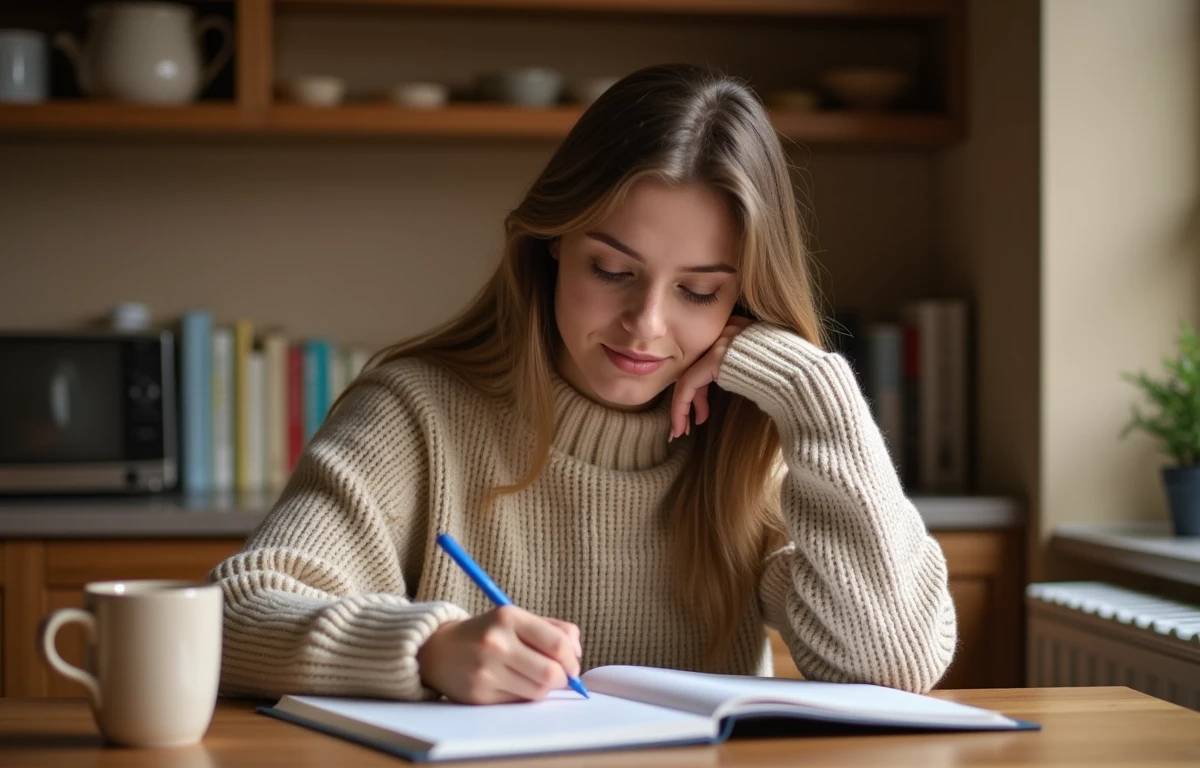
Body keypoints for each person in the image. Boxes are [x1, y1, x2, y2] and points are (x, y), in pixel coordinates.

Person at [207, 63, 956, 705]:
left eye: (699, 291)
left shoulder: (750, 441)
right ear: (551, 246)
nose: (646, 325)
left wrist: (814, 392)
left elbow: (893, 665)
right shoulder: (414, 414)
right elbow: (233, 618)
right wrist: (427, 650)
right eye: (613, 271)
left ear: (742, 298)